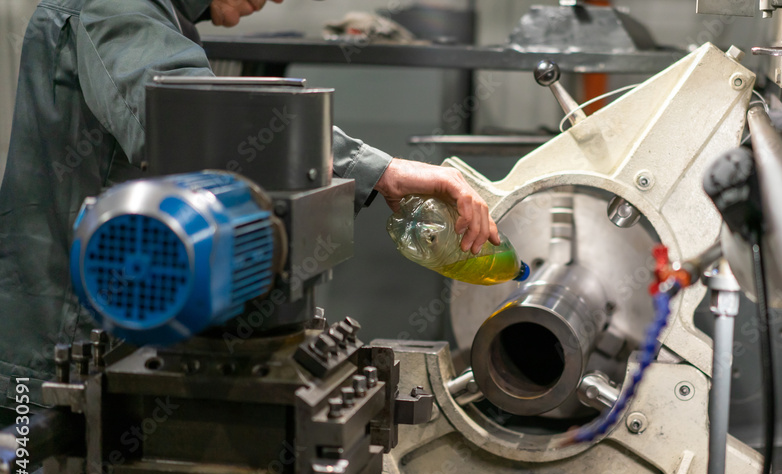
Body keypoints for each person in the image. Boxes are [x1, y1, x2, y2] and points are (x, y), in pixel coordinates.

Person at [0, 0, 500, 407]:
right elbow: (192, 120)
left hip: (115, 334)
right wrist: (384, 171)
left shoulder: (160, 17)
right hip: (56, 362)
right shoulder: (112, 7)